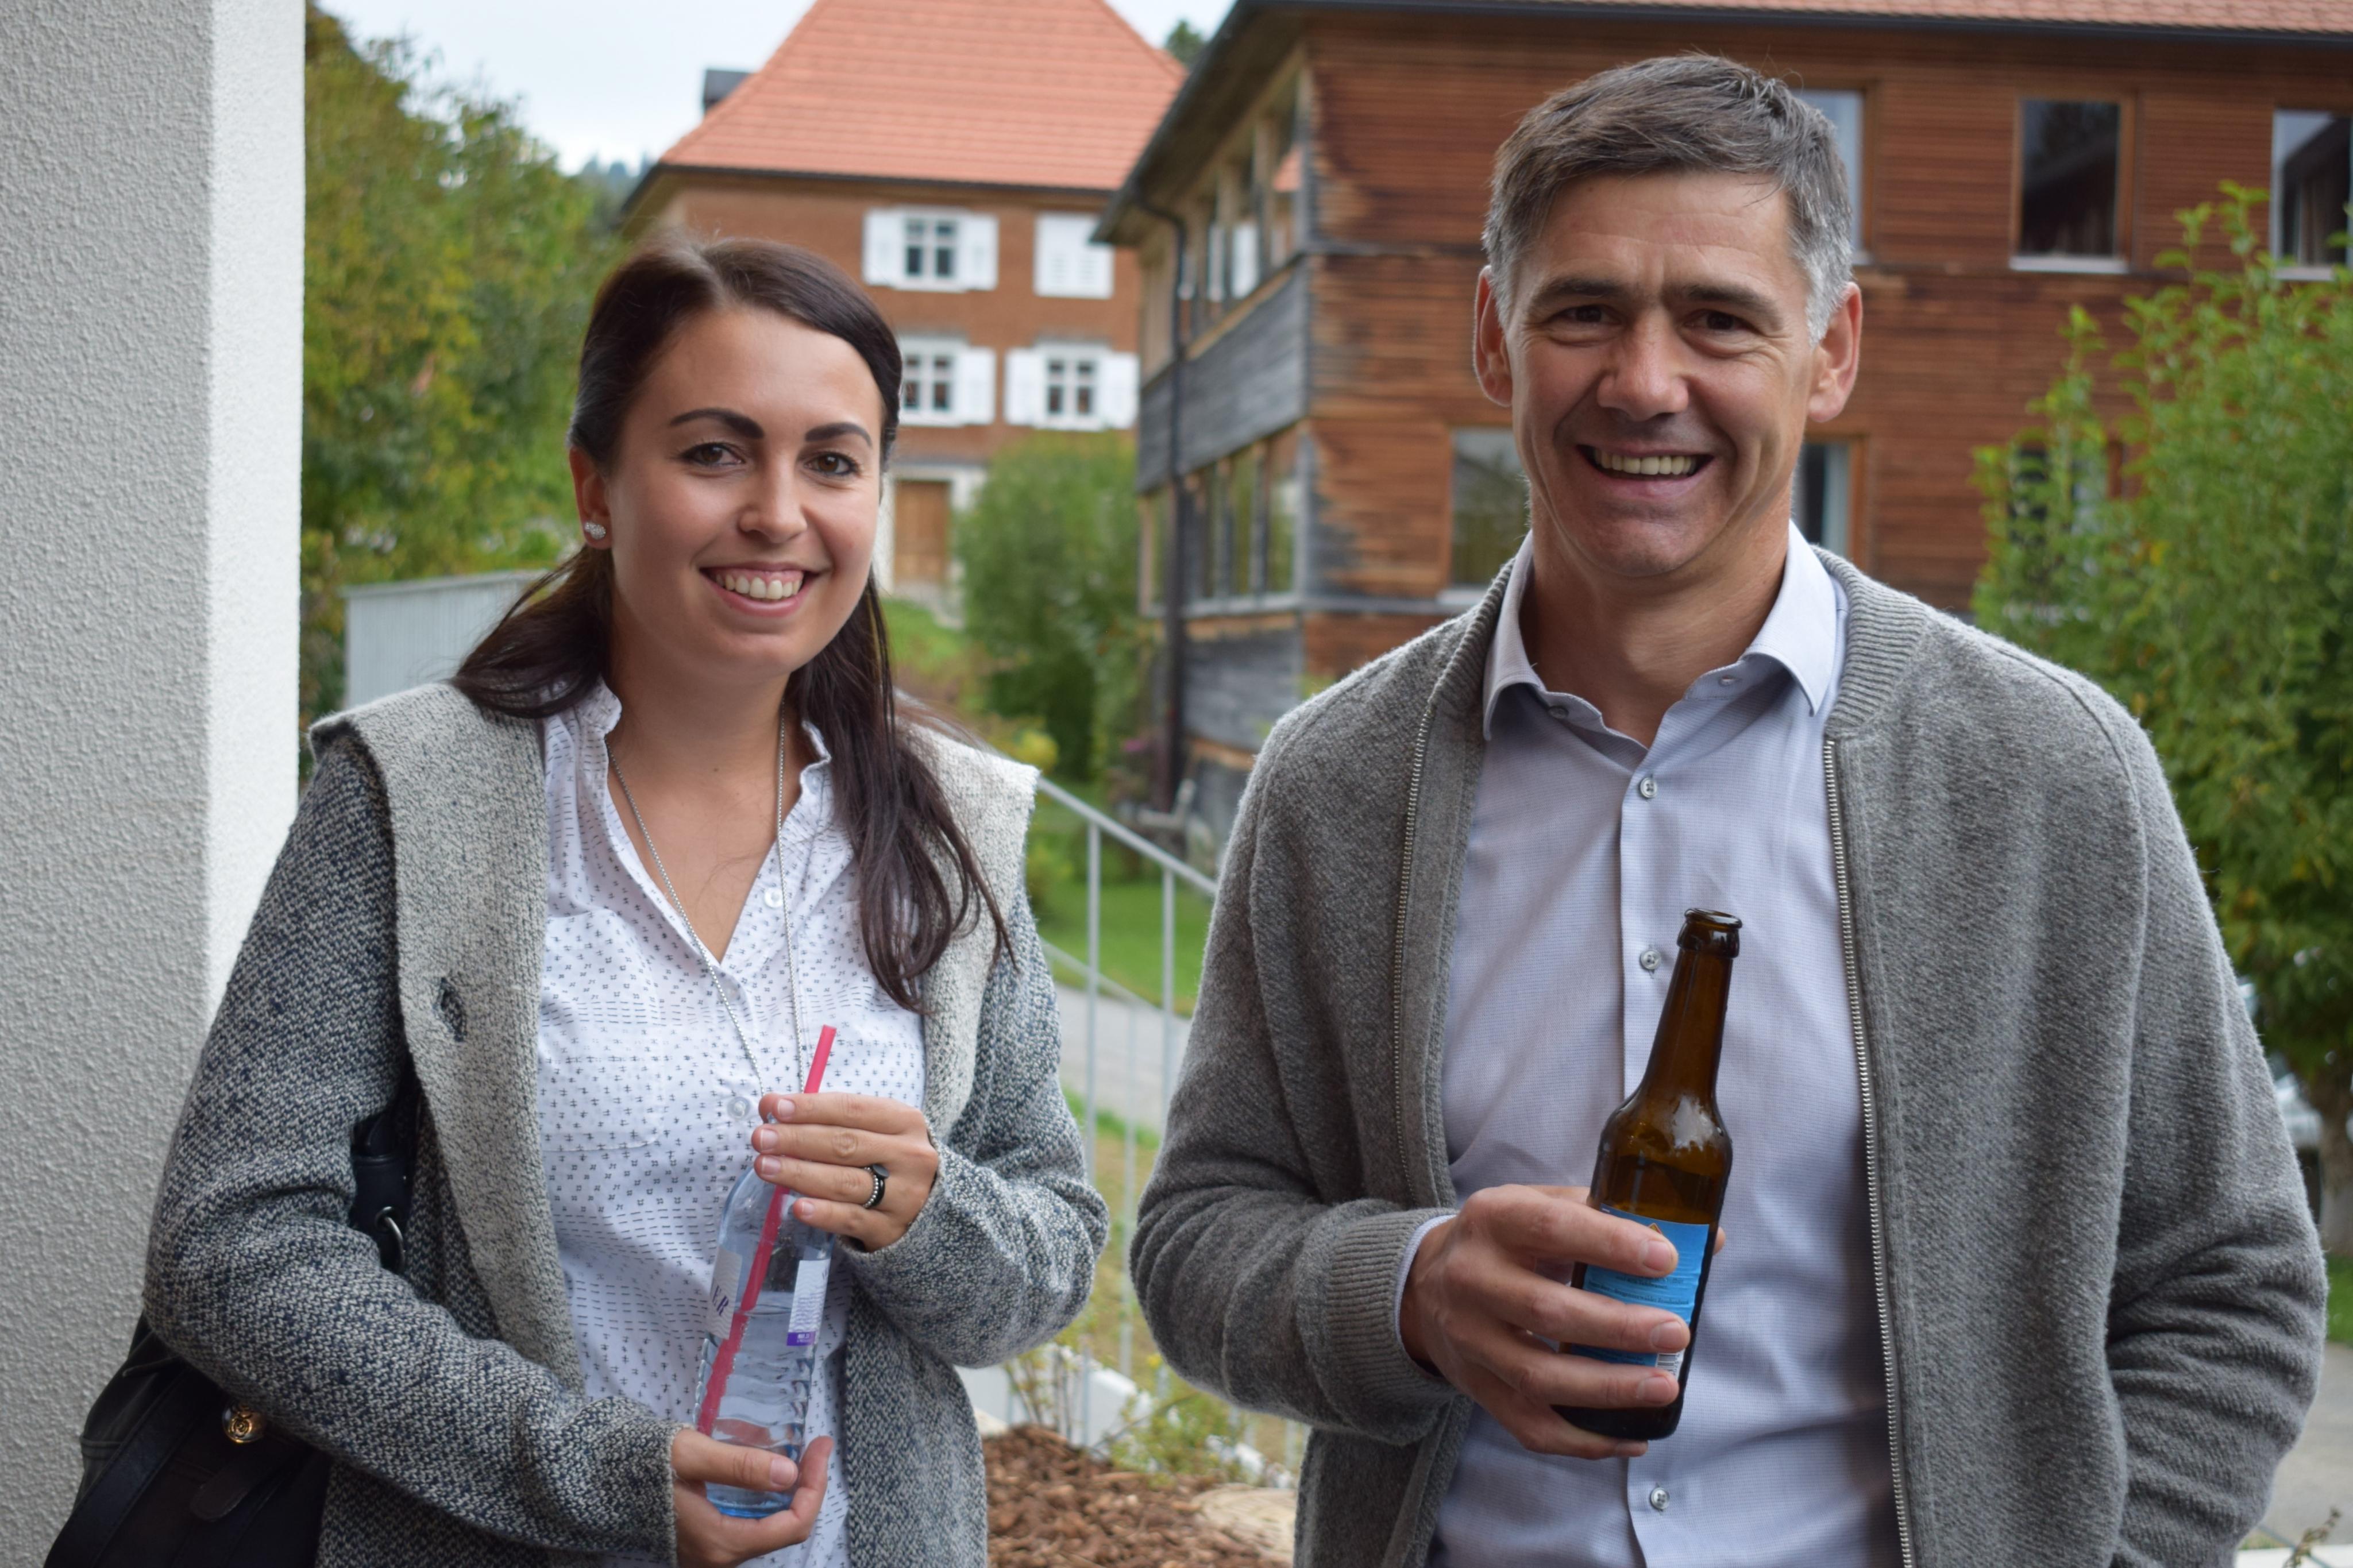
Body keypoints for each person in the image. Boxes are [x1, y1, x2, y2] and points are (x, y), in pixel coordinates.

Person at [1131, 55, 2326, 1568]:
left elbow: (2228, 1285)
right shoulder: (1335, 781)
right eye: (1584, 311)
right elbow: (1199, 1235)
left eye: (1717, 318)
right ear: (1494, 337)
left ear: (1830, 351)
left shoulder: (2050, 775)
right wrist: (1408, 1291)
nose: (1644, 381)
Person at [143, 235, 1107, 1568]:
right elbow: (229, 1245)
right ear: (595, 486)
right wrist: (589, 1470)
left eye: (832, 462)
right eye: (714, 453)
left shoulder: (952, 828)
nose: (777, 512)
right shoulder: (413, 797)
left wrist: (926, 1216)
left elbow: (1051, 1256)